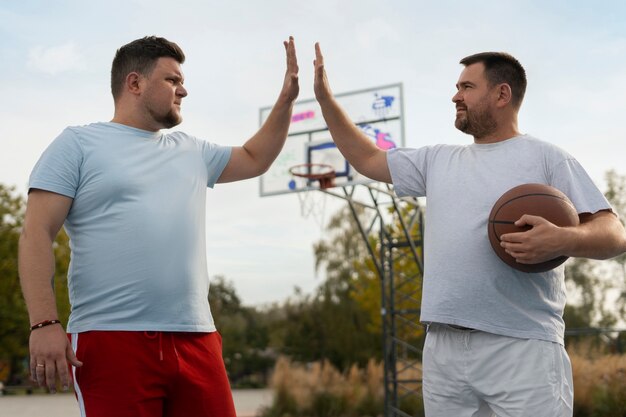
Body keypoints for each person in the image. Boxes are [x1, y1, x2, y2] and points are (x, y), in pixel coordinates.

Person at [313, 44, 626, 417]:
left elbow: (614, 233)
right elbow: (366, 158)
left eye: (466, 87)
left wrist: (565, 238)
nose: (455, 96)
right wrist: (326, 100)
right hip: (443, 346)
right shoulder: (438, 159)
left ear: (501, 94)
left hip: (521, 345)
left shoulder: (547, 158)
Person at [18, 35, 299, 417]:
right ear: (134, 83)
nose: (183, 89)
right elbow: (36, 234)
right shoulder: (78, 144)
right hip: (111, 337)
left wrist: (285, 102)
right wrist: (44, 323)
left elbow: (255, 157)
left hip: (197, 338)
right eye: (172, 80)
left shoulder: (193, 150)